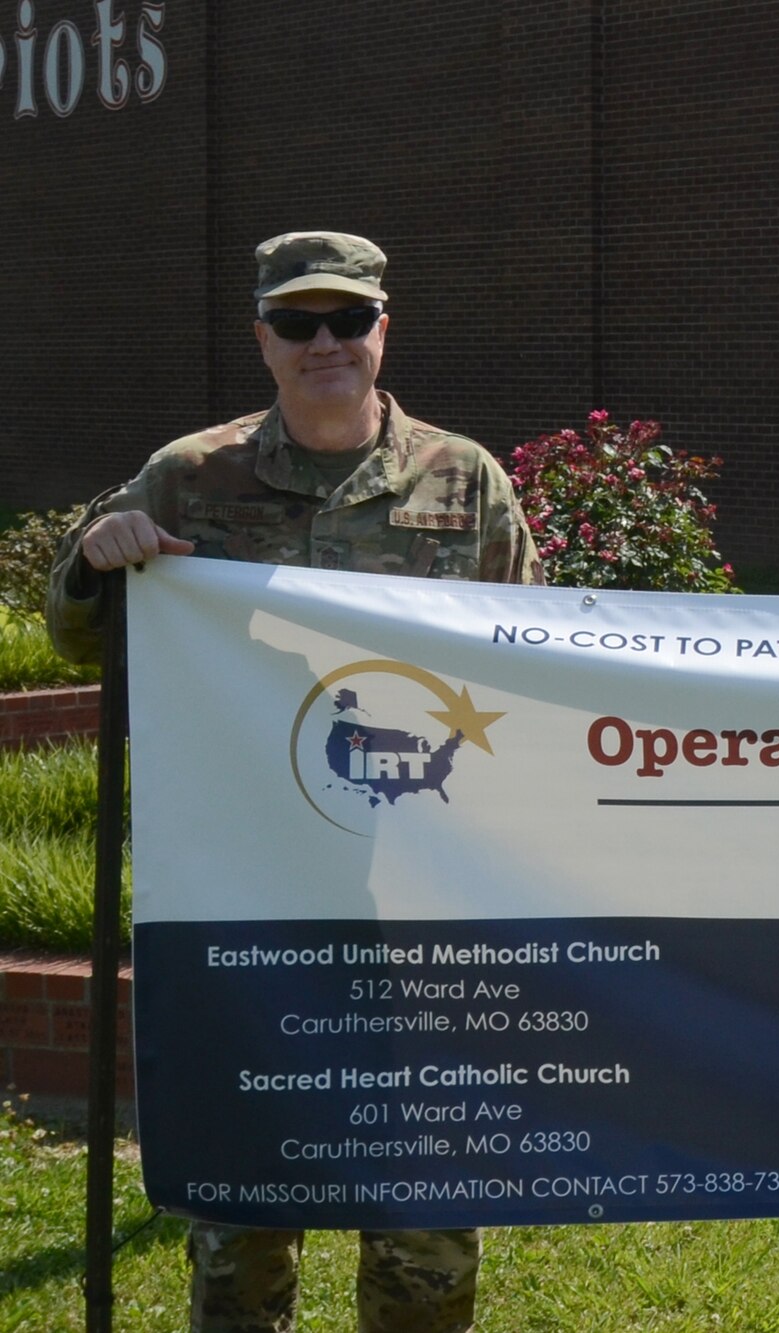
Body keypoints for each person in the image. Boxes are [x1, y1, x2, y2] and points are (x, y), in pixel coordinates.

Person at [46, 231, 544, 1333]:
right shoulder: (191, 473)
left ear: (383, 328)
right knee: (245, 1209)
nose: (326, 343)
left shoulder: (463, 481)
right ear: (263, 338)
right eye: (297, 322)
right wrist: (95, 558)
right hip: (249, 897)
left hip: (418, 900)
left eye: (348, 319)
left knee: (423, 1211)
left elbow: (532, 654)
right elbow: (83, 639)